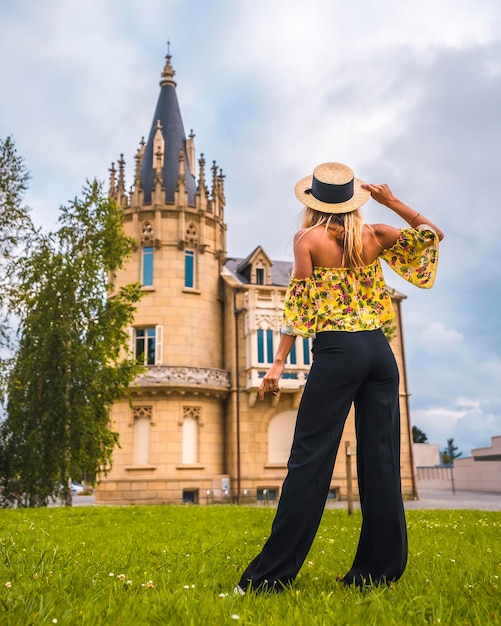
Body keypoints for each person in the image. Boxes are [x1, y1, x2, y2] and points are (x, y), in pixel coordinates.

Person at [235, 162, 443, 593]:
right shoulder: (377, 234)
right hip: (380, 353)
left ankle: (269, 578)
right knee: (381, 460)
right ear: (356, 200)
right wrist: (393, 202)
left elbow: (299, 307)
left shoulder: (307, 240)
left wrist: (277, 365)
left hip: (338, 351)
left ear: (313, 202)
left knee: (310, 459)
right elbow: (433, 235)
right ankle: (377, 572)